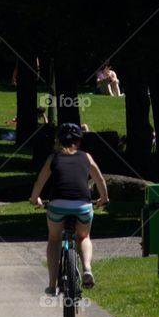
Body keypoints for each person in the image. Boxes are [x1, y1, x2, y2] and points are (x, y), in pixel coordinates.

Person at [29, 122, 109, 294]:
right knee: (84, 236)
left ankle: (52, 285)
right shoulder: (86, 157)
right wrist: (104, 198)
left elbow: (39, 181)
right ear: (79, 141)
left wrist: (35, 199)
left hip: (58, 206)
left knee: (54, 240)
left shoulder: (53, 158)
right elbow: (100, 179)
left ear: (58, 141)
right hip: (83, 206)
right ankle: (87, 268)